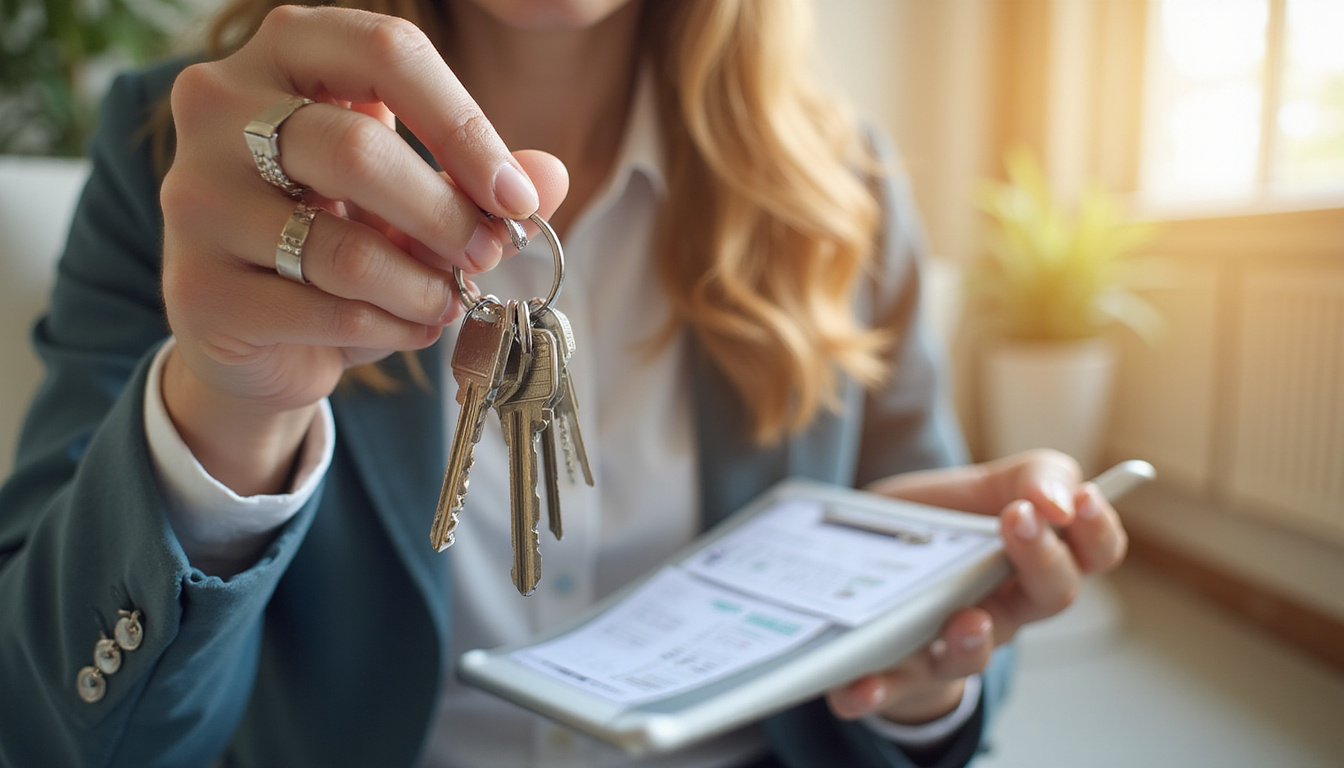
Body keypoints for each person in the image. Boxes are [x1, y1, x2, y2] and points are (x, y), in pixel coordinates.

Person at [0, 1, 1129, 766]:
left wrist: (925, 662)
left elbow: (933, 698)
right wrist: (226, 415)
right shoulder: (197, 150)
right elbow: (49, 722)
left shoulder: (849, 189)